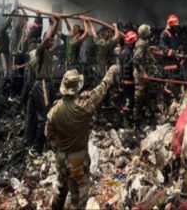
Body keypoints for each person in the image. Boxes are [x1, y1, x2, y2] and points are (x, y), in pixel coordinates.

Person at [45, 64, 119, 210]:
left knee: (60, 190)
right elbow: (103, 88)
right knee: (78, 198)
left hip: (61, 160)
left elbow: (48, 135)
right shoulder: (85, 105)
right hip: (78, 163)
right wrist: (111, 71)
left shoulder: (54, 111)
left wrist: (60, 145)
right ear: (78, 87)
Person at [25, 17, 60, 157]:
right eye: (50, 41)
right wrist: (53, 26)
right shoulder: (40, 52)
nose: (52, 42)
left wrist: (55, 24)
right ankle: (36, 149)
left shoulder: (45, 53)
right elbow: (47, 40)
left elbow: (50, 39)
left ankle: (32, 142)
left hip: (39, 86)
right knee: (43, 118)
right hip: (42, 85)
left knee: (35, 115)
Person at [133, 24, 156, 125]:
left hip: (145, 72)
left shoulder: (143, 42)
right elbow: (136, 60)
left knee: (146, 93)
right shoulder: (142, 44)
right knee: (139, 96)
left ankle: (144, 114)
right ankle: (135, 121)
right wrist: (143, 73)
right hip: (140, 75)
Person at [159, 14, 183, 99]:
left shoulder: (175, 35)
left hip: (175, 64)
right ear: (171, 26)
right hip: (168, 64)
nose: (177, 28)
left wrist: (180, 51)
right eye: (175, 26)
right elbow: (162, 46)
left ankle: (177, 99)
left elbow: (177, 45)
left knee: (177, 83)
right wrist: (169, 51)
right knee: (170, 85)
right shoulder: (164, 34)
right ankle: (169, 100)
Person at [118, 31, 138, 119]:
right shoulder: (127, 53)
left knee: (129, 99)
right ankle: (127, 120)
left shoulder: (125, 51)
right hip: (128, 80)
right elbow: (126, 67)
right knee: (128, 101)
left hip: (126, 80)